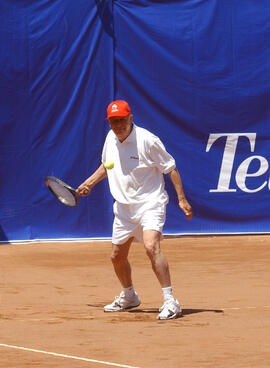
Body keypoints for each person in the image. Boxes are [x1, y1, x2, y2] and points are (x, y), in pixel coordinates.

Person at [77, 100, 192, 320]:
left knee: (151, 246)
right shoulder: (110, 138)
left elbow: (171, 168)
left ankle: (171, 301)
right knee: (116, 256)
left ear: (131, 118)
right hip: (124, 208)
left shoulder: (148, 140)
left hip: (151, 203)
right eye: (113, 121)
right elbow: (106, 165)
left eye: (121, 120)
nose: (118, 125)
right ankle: (129, 296)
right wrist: (89, 183)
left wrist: (182, 199)